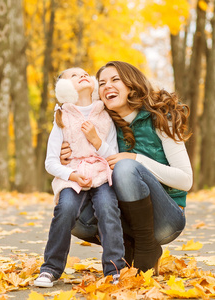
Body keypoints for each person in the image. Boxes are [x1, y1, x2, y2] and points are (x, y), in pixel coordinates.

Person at [61, 61, 193, 274]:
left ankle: (146, 246)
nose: (107, 86)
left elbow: (186, 180)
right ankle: (128, 246)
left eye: (115, 80)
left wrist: (136, 158)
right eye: (102, 83)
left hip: (166, 219)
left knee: (125, 167)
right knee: (69, 210)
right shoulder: (103, 124)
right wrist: (65, 157)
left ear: (132, 84)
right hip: (126, 219)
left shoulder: (161, 116)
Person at [34, 67, 125, 288]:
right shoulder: (61, 117)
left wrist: (96, 141)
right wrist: (72, 174)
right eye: (73, 75)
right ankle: (50, 269)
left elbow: (112, 154)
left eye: (84, 73)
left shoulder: (104, 115)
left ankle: (114, 270)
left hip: (102, 174)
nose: (82, 75)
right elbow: (51, 162)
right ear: (65, 88)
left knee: (107, 208)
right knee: (64, 209)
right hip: (72, 175)